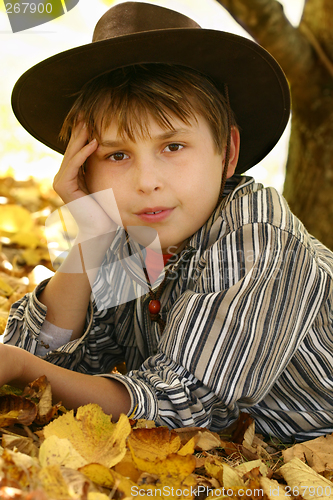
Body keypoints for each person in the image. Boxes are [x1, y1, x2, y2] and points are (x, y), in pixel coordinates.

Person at [2, 2, 333, 443]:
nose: (147, 182)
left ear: (228, 153)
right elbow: (59, 369)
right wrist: (91, 236)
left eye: (172, 146)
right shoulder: (128, 239)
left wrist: (25, 368)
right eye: (117, 155)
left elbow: (184, 408)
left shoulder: (256, 237)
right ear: (85, 170)